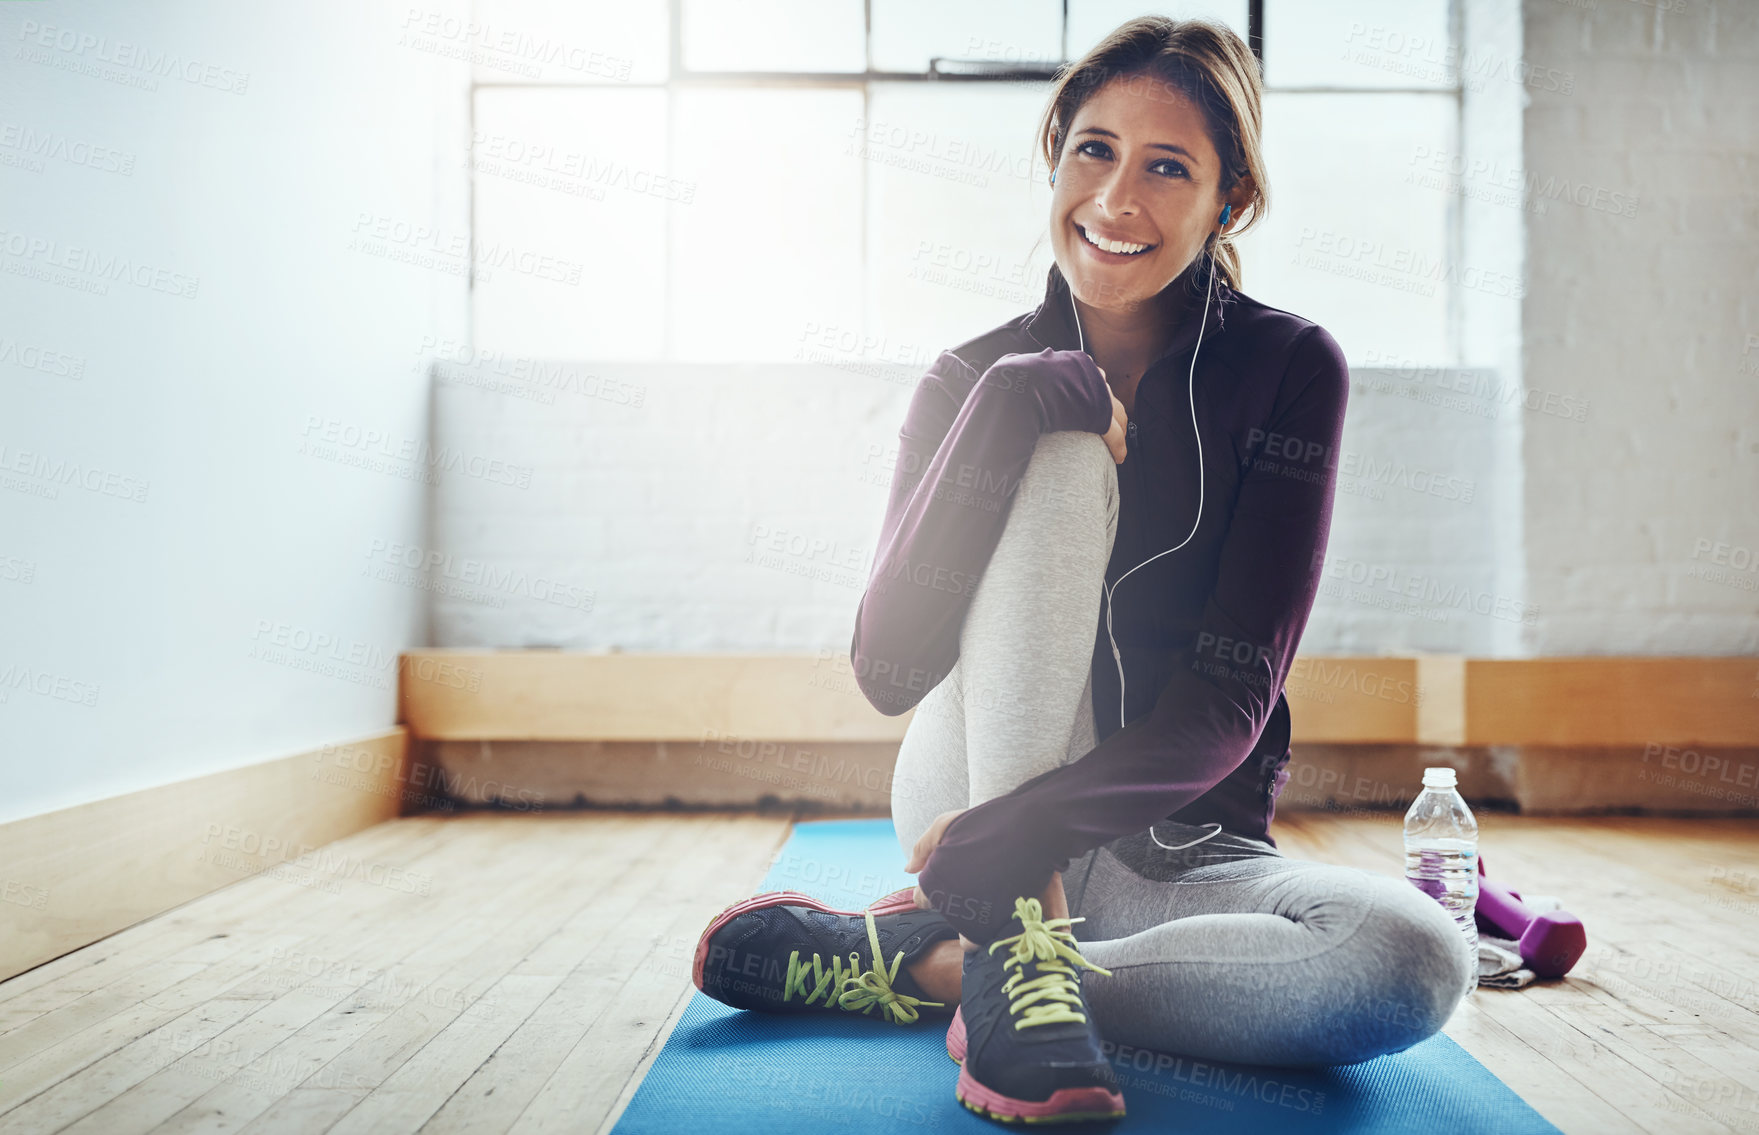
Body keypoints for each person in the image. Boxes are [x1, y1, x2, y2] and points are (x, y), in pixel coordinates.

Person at [693, 16, 1475, 1126]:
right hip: (973, 781)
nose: (1117, 199)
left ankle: (937, 963)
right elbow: (887, 667)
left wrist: (1017, 843)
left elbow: (1229, 698)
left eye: (1168, 168)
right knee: (1059, 452)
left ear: (1229, 200)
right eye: (1094, 151)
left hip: (1169, 843)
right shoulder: (969, 373)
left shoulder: (1291, 368)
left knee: (1410, 957)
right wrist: (1007, 406)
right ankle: (1015, 936)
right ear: (1054, 158)